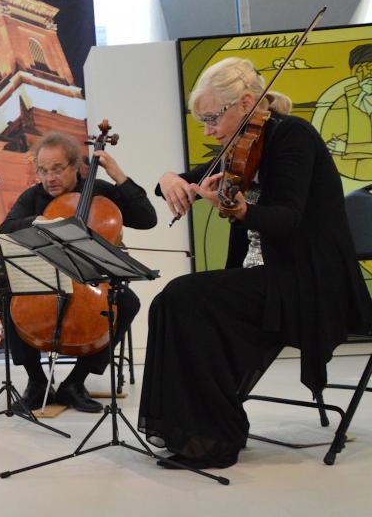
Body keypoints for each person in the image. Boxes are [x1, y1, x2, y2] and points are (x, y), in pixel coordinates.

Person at [140, 57, 372, 470]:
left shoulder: (293, 136)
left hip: (308, 280)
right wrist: (168, 178)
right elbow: (187, 177)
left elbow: (288, 217)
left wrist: (241, 210)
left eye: (213, 118)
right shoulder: (239, 146)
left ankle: (216, 438)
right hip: (267, 277)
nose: (209, 131)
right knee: (172, 303)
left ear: (247, 101)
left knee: (183, 297)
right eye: (203, 122)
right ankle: (204, 429)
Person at [0, 132, 157, 413]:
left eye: (57, 169)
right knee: (5, 296)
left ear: (75, 167)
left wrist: (119, 175)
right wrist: (41, 220)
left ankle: (74, 383)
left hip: (92, 282)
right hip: (45, 281)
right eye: (43, 171)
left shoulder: (101, 193)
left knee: (128, 303)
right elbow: (4, 229)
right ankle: (36, 382)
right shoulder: (34, 197)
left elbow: (147, 219)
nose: (50, 178)